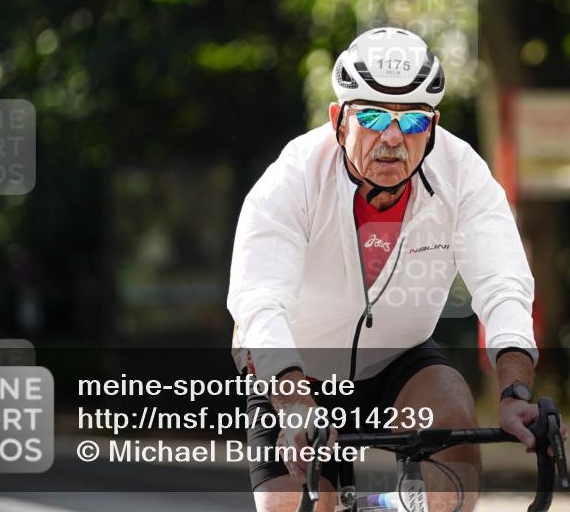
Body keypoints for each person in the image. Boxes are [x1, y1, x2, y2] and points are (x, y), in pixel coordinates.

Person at [227, 27, 542, 512]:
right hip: (296, 367)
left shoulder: (463, 174)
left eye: (413, 122)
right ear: (339, 119)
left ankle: (387, 505)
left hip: (400, 355)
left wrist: (515, 388)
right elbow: (259, 303)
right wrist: (292, 403)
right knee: (289, 505)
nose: (393, 138)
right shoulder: (293, 178)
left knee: (453, 462)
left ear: (433, 126)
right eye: (372, 117)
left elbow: (504, 287)